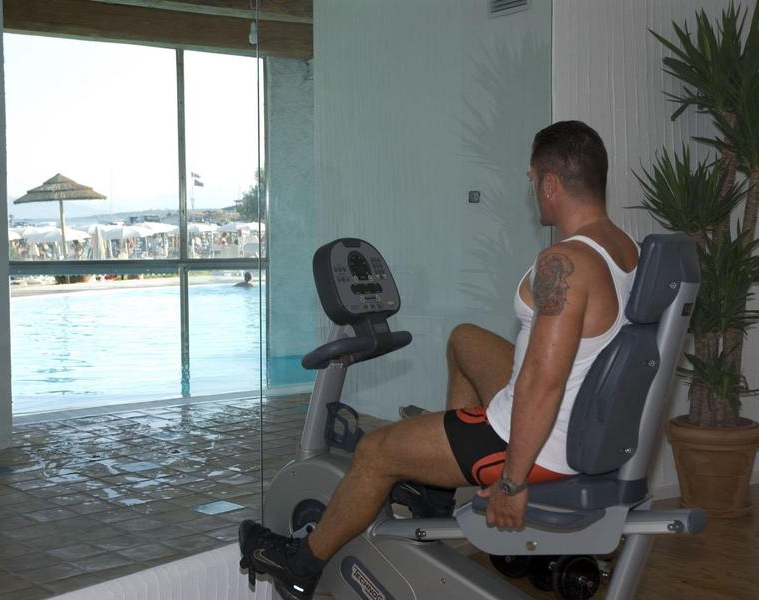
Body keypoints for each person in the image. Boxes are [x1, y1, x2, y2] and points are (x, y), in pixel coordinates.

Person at [239, 121, 640, 600]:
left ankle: (301, 566)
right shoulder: (625, 250)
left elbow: (542, 383)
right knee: (465, 340)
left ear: (551, 184)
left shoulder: (564, 263)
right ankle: (435, 492)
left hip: (534, 437)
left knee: (374, 453)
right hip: (574, 421)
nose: (532, 189)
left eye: (532, 179)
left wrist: (512, 483)